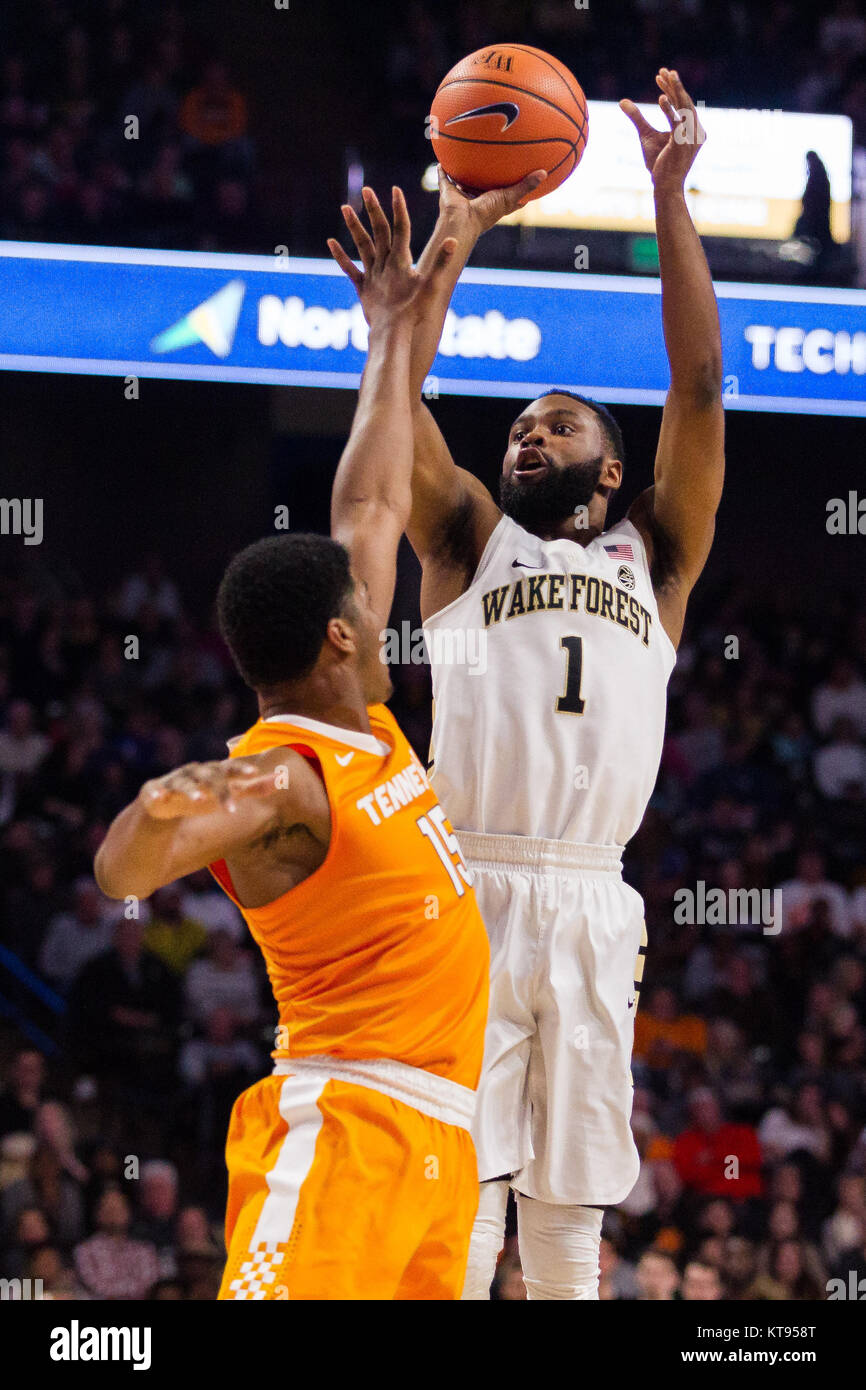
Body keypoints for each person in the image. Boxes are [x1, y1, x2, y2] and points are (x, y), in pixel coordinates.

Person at [333, 68, 724, 1299]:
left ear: (612, 473)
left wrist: (670, 203)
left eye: (558, 426)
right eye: (519, 430)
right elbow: (396, 413)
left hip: (589, 895)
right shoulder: (464, 540)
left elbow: (699, 387)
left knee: (567, 1211)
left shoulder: (652, 556)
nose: (527, 437)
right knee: (466, 1190)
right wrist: (444, 248)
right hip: (467, 875)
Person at [95, 190, 490, 1300]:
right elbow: (121, 870)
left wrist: (386, 334)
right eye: (368, 608)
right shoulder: (284, 775)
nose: (385, 609)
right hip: (348, 1122)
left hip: (438, 1138)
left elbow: (366, 487)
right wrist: (160, 809)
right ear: (336, 635)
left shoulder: (360, 726)